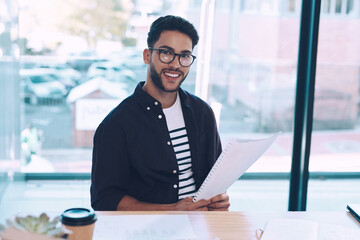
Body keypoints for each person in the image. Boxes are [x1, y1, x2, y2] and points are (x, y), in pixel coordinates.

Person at [91, 15, 230, 211]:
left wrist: (219, 199)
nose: (176, 64)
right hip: (147, 230)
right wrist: (172, 210)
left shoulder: (202, 112)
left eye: (184, 55)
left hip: (201, 224)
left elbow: (215, 177)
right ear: (147, 56)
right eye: (166, 53)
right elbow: (104, 199)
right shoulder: (116, 124)